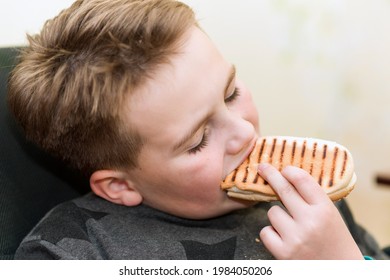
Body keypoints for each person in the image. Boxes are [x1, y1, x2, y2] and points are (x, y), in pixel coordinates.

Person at [8, 0, 387, 260]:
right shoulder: (72, 254)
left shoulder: (309, 194)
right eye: (198, 141)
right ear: (121, 186)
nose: (243, 132)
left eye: (231, 93)